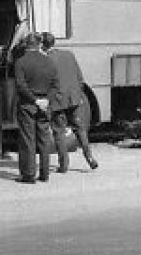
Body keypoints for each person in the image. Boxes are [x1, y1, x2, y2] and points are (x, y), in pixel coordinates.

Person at [41, 32, 98, 172]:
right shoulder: (69, 54)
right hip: (73, 99)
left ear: (43, 45)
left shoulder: (46, 60)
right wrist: (78, 95)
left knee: (59, 132)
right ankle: (90, 158)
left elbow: (47, 83)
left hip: (57, 101)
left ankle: (64, 165)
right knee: (80, 129)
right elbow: (79, 77)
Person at [14, 32, 59, 184]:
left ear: (26, 44)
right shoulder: (50, 62)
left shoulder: (20, 62)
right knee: (44, 139)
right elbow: (55, 85)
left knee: (28, 140)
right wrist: (46, 100)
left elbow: (21, 86)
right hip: (45, 105)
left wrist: (34, 100)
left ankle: (28, 174)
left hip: (28, 105)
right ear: (39, 44)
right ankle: (45, 174)